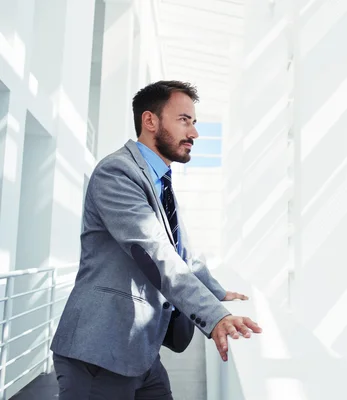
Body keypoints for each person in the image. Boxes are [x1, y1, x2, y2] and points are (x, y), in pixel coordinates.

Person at [50, 80, 261, 399]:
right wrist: (215, 316)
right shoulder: (117, 173)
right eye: (184, 120)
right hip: (99, 352)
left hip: (140, 351)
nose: (194, 133)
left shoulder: (159, 180)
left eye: (194, 122)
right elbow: (155, 253)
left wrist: (218, 292)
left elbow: (185, 255)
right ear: (150, 121)